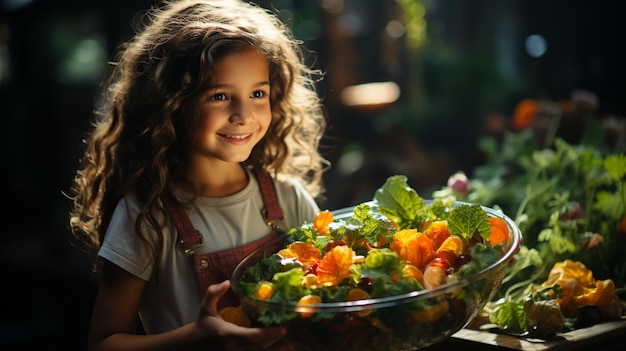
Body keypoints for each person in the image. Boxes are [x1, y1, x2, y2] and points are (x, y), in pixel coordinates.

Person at [67, 0, 329, 350]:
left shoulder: (289, 198)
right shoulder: (146, 217)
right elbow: (103, 342)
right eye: (220, 95)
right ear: (170, 102)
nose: (243, 114)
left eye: (257, 94)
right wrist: (196, 337)